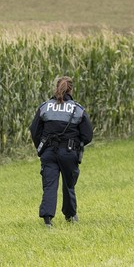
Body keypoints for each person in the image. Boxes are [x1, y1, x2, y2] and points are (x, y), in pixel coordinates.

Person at [30, 76, 94, 228]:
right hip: (69, 151)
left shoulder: (45, 107)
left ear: (56, 88)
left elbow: (35, 130)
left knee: (50, 184)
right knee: (69, 185)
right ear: (71, 90)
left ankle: (47, 218)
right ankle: (70, 215)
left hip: (48, 152)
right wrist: (77, 142)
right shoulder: (77, 109)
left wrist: (41, 146)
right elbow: (88, 135)